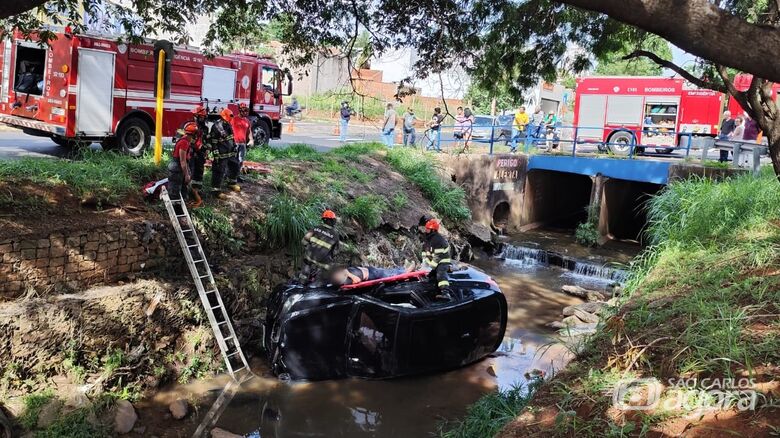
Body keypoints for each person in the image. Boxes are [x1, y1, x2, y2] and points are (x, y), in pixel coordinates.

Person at [300, 210, 340, 286]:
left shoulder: (316, 228)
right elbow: (335, 252)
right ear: (332, 221)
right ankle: (316, 285)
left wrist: (309, 248)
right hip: (323, 263)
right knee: (322, 278)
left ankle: (301, 283)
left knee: (304, 274)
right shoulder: (335, 235)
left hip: (309, 257)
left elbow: (303, 241)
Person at [420, 218, 453, 299]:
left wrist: (430, 267)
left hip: (443, 262)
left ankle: (445, 293)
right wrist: (424, 261)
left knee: (440, 275)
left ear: (433, 230)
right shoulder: (427, 238)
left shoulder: (439, 240)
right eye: (426, 228)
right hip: (433, 262)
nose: (426, 230)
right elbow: (424, 250)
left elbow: (438, 257)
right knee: (430, 276)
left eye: (428, 228)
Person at [209, 108, 237, 199]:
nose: (227, 122)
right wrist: (216, 155)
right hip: (221, 154)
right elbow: (214, 142)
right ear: (222, 118)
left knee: (235, 166)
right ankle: (216, 191)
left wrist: (234, 146)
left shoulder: (228, 125)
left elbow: (231, 137)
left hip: (230, 152)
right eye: (226, 120)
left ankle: (231, 183)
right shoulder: (216, 127)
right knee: (218, 171)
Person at [168, 122, 197, 200]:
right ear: (192, 135)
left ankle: (182, 204)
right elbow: (182, 161)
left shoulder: (186, 141)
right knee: (174, 191)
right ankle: (175, 208)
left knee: (183, 189)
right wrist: (187, 175)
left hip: (179, 167)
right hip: (177, 168)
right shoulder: (184, 142)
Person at [189, 105, 209, 207]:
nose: (204, 118)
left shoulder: (205, 128)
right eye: (202, 116)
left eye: (204, 117)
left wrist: (206, 149)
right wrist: (196, 146)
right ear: (197, 116)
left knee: (199, 173)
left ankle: (197, 191)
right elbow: (185, 139)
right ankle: (189, 193)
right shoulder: (190, 126)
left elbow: (206, 140)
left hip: (200, 154)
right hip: (191, 154)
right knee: (190, 172)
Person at [230, 103, 253, 186]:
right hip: (235, 143)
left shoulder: (247, 121)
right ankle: (229, 176)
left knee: (240, 160)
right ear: (240, 110)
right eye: (244, 110)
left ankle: (237, 176)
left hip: (242, 144)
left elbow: (249, 131)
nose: (246, 112)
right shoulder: (234, 119)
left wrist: (251, 140)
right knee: (233, 160)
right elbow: (229, 129)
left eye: (247, 110)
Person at [331, 265, 409, 286]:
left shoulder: (343, 273)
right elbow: (357, 280)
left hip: (369, 269)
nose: (337, 273)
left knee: (387, 271)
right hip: (371, 275)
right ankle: (405, 271)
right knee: (387, 274)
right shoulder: (346, 281)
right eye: (336, 275)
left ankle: (402, 269)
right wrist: (348, 273)